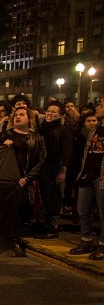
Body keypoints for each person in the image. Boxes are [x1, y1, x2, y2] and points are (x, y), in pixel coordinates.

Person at [0, 107, 46, 256]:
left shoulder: (37, 138)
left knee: (23, 210)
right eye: (16, 115)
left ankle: (15, 238)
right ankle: (7, 240)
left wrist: (28, 177)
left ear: (29, 119)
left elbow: (42, 159)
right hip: (8, 179)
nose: (18, 117)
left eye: (21, 115)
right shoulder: (6, 135)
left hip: (25, 179)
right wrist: (4, 147)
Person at [71, 105, 104, 260]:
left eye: (101, 106)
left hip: (102, 177)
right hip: (87, 174)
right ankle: (86, 241)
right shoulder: (94, 130)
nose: (97, 107)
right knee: (83, 209)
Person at [35, 100, 73, 238]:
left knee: (53, 197)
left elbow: (67, 152)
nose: (50, 114)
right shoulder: (41, 129)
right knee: (42, 196)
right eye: (49, 111)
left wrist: (63, 170)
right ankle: (42, 224)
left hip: (54, 168)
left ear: (60, 115)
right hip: (42, 168)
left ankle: (53, 227)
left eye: (54, 112)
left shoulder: (63, 131)